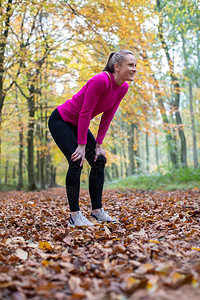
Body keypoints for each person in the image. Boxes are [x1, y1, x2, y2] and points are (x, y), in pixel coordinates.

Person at [48, 50, 137, 227]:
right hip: (61, 121)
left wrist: (98, 144)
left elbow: (108, 115)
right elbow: (85, 112)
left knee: (99, 160)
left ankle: (97, 211)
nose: (134, 69)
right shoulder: (101, 80)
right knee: (76, 160)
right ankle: (74, 216)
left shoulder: (123, 87)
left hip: (78, 123)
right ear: (117, 67)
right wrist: (81, 145)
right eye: (130, 65)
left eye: (135, 65)